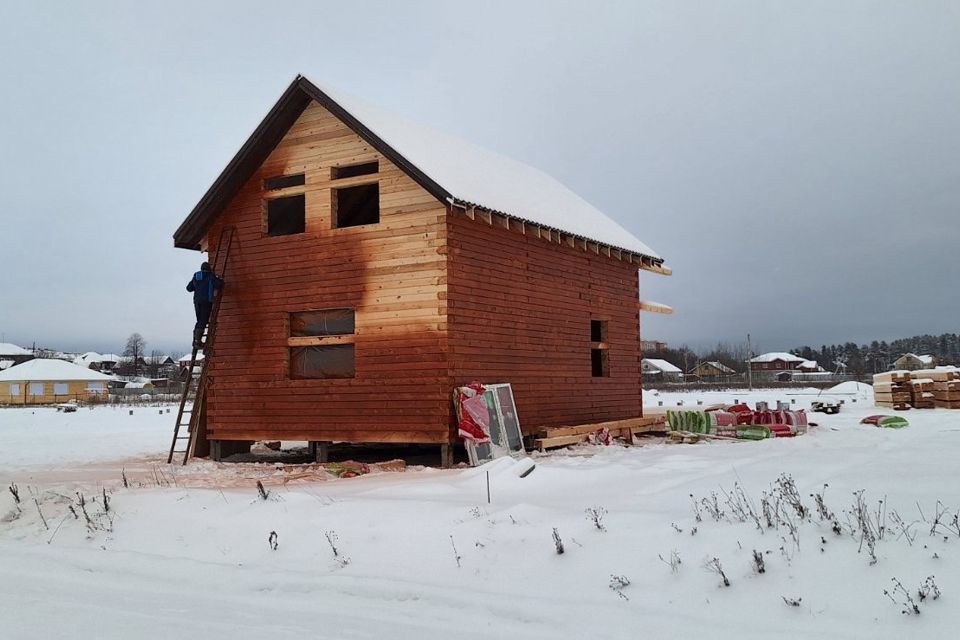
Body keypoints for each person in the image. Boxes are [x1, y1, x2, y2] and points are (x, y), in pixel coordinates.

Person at [186, 261, 224, 348]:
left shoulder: (196, 276)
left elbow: (189, 288)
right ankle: (197, 342)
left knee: (199, 320)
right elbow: (219, 284)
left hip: (197, 302)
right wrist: (220, 279)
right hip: (206, 302)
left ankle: (195, 341)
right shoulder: (210, 276)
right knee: (203, 321)